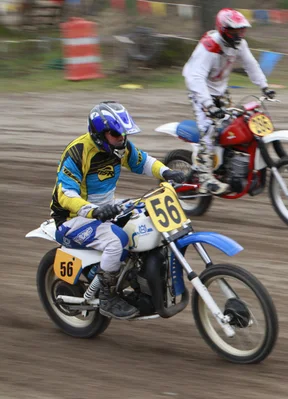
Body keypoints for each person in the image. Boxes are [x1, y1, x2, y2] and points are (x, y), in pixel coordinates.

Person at [50, 101, 186, 320]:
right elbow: (65, 194)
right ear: (99, 134)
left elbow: (143, 161)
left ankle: (138, 277)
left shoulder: (120, 148)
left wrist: (167, 172)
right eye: (115, 133)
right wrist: (93, 211)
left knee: (147, 217)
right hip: (73, 217)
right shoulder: (78, 152)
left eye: (124, 133)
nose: (121, 138)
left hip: (106, 208)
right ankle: (106, 297)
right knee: (116, 240)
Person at [182, 8, 276, 195]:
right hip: (201, 93)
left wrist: (264, 86)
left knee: (234, 126)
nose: (240, 34)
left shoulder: (239, 44)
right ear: (224, 30)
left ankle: (229, 167)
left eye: (242, 30)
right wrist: (208, 105)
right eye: (235, 31)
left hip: (221, 91)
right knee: (209, 129)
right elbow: (195, 77)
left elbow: (251, 65)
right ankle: (205, 178)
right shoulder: (209, 47)